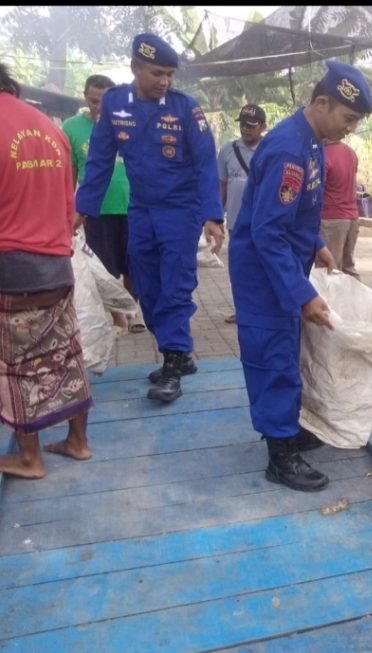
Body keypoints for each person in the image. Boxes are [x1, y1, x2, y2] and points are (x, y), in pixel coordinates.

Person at [229, 60, 372, 492]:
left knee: (289, 352)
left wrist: (317, 244)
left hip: (285, 263)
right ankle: (280, 456)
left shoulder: (310, 142)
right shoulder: (289, 150)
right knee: (272, 357)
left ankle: (287, 428)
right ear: (322, 103)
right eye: (348, 117)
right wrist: (302, 293)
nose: (350, 128)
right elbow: (267, 231)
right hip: (264, 272)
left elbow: (298, 213)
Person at [75, 33, 224, 404]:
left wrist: (212, 215)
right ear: (135, 69)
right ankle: (179, 353)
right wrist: (82, 209)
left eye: (169, 74)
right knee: (144, 284)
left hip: (180, 211)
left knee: (175, 287)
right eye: (157, 73)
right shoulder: (114, 103)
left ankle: (173, 362)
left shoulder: (185, 107)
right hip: (140, 210)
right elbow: (99, 161)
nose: (165, 81)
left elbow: (206, 163)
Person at [0, 63, 94, 479]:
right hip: (57, 265)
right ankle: (78, 441)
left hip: (12, 269)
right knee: (66, 354)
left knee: (15, 364)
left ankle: (28, 458)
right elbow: (67, 202)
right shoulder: (48, 128)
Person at [63, 73, 142, 336]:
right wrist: (70, 208)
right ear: (85, 97)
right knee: (104, 267)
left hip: (132, 204)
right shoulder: (71, 127)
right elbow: (71, 172)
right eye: (93, 100)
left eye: (103, 101)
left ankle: (132, 311)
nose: (98, 106)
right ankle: (118, 318)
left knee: (134, 263)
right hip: (95, 210)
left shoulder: (128, 121)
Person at [217, 103, 267, 324]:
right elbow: (222, 185)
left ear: (262, 127)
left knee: (262, 267)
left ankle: (262, 309)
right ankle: (242, 310)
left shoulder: (270, 149)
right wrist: (217, 217)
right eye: (243, 125)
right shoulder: (227, 150)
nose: (246, 129)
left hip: (263, 222)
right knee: (239, 269)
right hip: (236, 222)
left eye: (251, 125)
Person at [320, 134, 361, 278]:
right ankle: (358, 292)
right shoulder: (351, 153)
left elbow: (317, 189)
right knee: (348, 268)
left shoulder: (323, 155)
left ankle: (332, 295)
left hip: (332, 219)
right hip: (352, 217)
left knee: (329, 269)